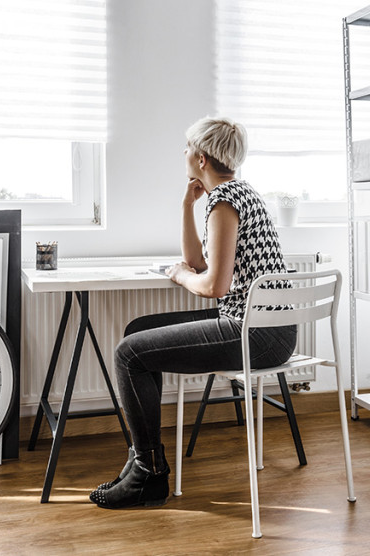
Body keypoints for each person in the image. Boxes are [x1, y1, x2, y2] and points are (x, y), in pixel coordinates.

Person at [89, 117, 297, 509]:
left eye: (186, 148)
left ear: (201, 158)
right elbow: (197, 261)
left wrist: (182, 276)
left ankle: (147, 474)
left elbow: (211, 286)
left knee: (128, 354)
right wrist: (187, 205)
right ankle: (142, 459)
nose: (183, 154)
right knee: (138, 332)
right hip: (268, 329)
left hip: (253, 334)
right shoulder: (241, 193)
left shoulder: (225, 202)